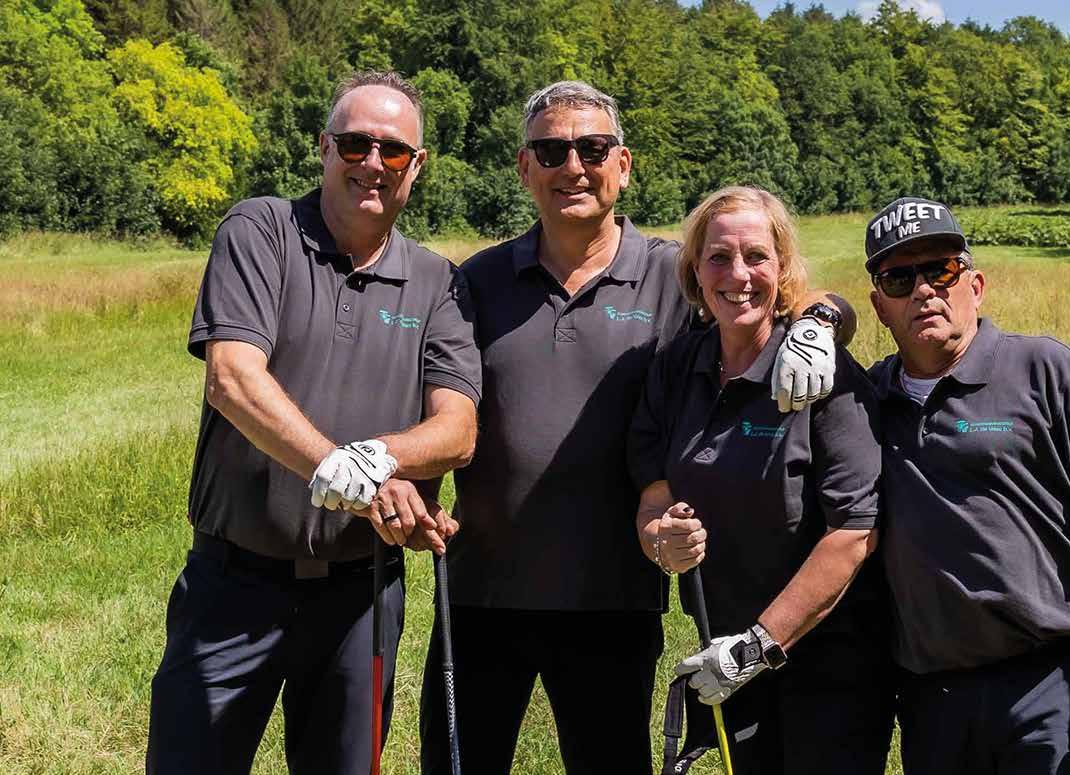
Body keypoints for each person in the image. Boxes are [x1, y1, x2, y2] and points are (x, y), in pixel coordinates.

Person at [419, 81, 843, 775]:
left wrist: (822, 323)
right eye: (551, 151)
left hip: (613, 597)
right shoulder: (478, 279)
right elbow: (441, 400)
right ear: (524, 167)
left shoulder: (676, 274)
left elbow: (781, 292)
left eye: (592, 149)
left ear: (623, 164)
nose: (573, 167)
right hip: (482, 592)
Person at [146, 71, 481, 775]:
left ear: (417, 165)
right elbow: (233, 378)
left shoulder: (437, 281)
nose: (373, 163)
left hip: (360, 596)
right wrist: (339, 468)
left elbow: (457, 429)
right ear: (324, 148)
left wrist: (375, 460)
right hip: (233, 584)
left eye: (394, 150)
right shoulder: (261, 229)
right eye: (355, 144)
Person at [862, 196, 1070, 774]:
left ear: (975, 285)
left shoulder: (1044, 370)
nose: (923, 291)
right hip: (931, 696)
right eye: (899, 279)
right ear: (880, 306)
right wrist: (821, 319)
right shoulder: (867, 399)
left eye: (941, 271)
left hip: (1050, 682)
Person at [627, 186, 894, 774]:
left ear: (783, 268)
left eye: (756, 257)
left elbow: (855, 533)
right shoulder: (677, 367)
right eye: (719, 257)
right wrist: (662, 541)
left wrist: (760, 644)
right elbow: (654, 500)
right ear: (695, 270)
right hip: (725, 651)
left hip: (828, 661)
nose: (738, 275)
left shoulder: (820, 370)